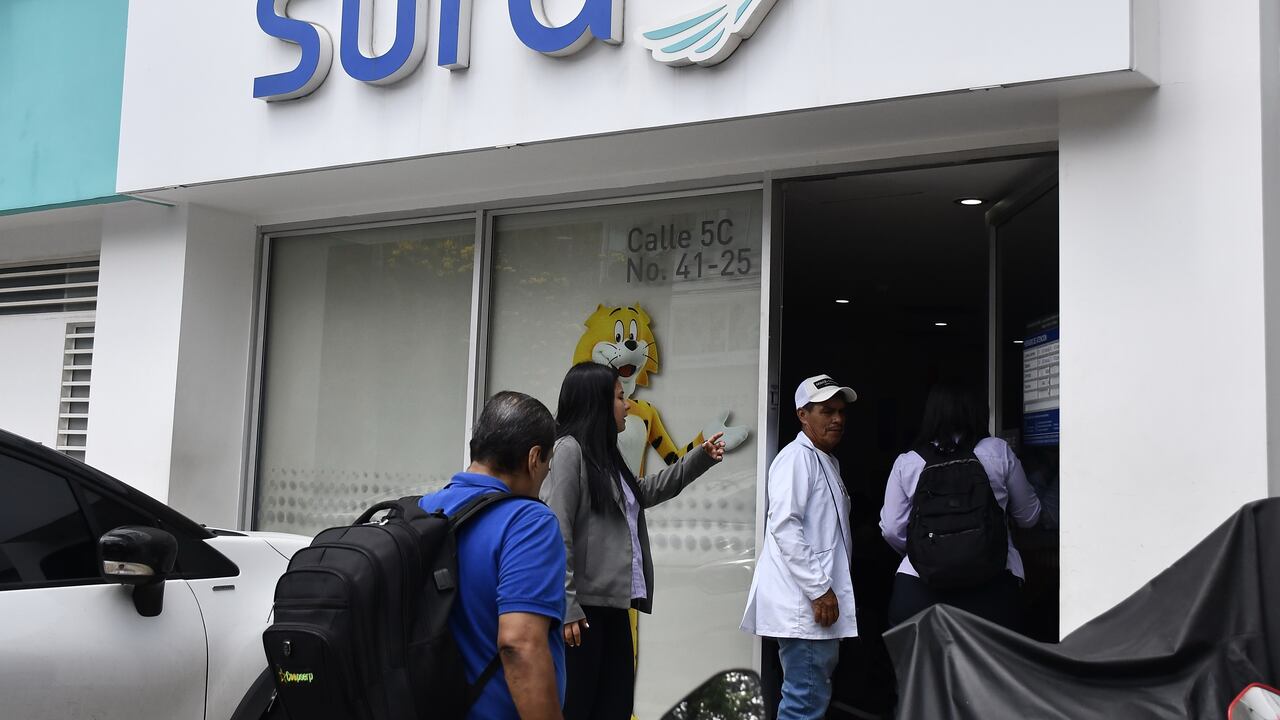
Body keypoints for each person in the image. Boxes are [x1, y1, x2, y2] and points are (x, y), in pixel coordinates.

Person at [540, 362, 725, 720]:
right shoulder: (568, 451)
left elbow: (642, 493)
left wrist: (699, 457)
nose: (627, 405)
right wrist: (567, 605)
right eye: (620, 397)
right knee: (580, 707)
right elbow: (555, 530)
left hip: (612, 608)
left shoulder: (605, 454)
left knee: (616, 706)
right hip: (583, 613)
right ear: (596, 403)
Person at [419, 391, 566, 720]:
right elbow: (520, 644)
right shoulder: (528, 522)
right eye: (547, 463)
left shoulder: (423, 511)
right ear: (533, 458)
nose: (545, 475)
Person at [741, 374, 860, 720]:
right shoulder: (797, 459)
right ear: (802, 415)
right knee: (804, 704)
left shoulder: (824, 460)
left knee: (808, 698)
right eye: (826, 411)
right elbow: (784, 526)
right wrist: (820, 589)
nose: (837, 418)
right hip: (805, 605)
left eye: (840, 411)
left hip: (812, 606)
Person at [879, 383, 1041, 631]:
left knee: (921, 668)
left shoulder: (908, 462)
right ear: (977, 411)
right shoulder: (998, 452)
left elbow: (892, 529)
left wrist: (928, 550)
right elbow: (1029, 517)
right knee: (991, 669)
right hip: (994, 590)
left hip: (919, 591)